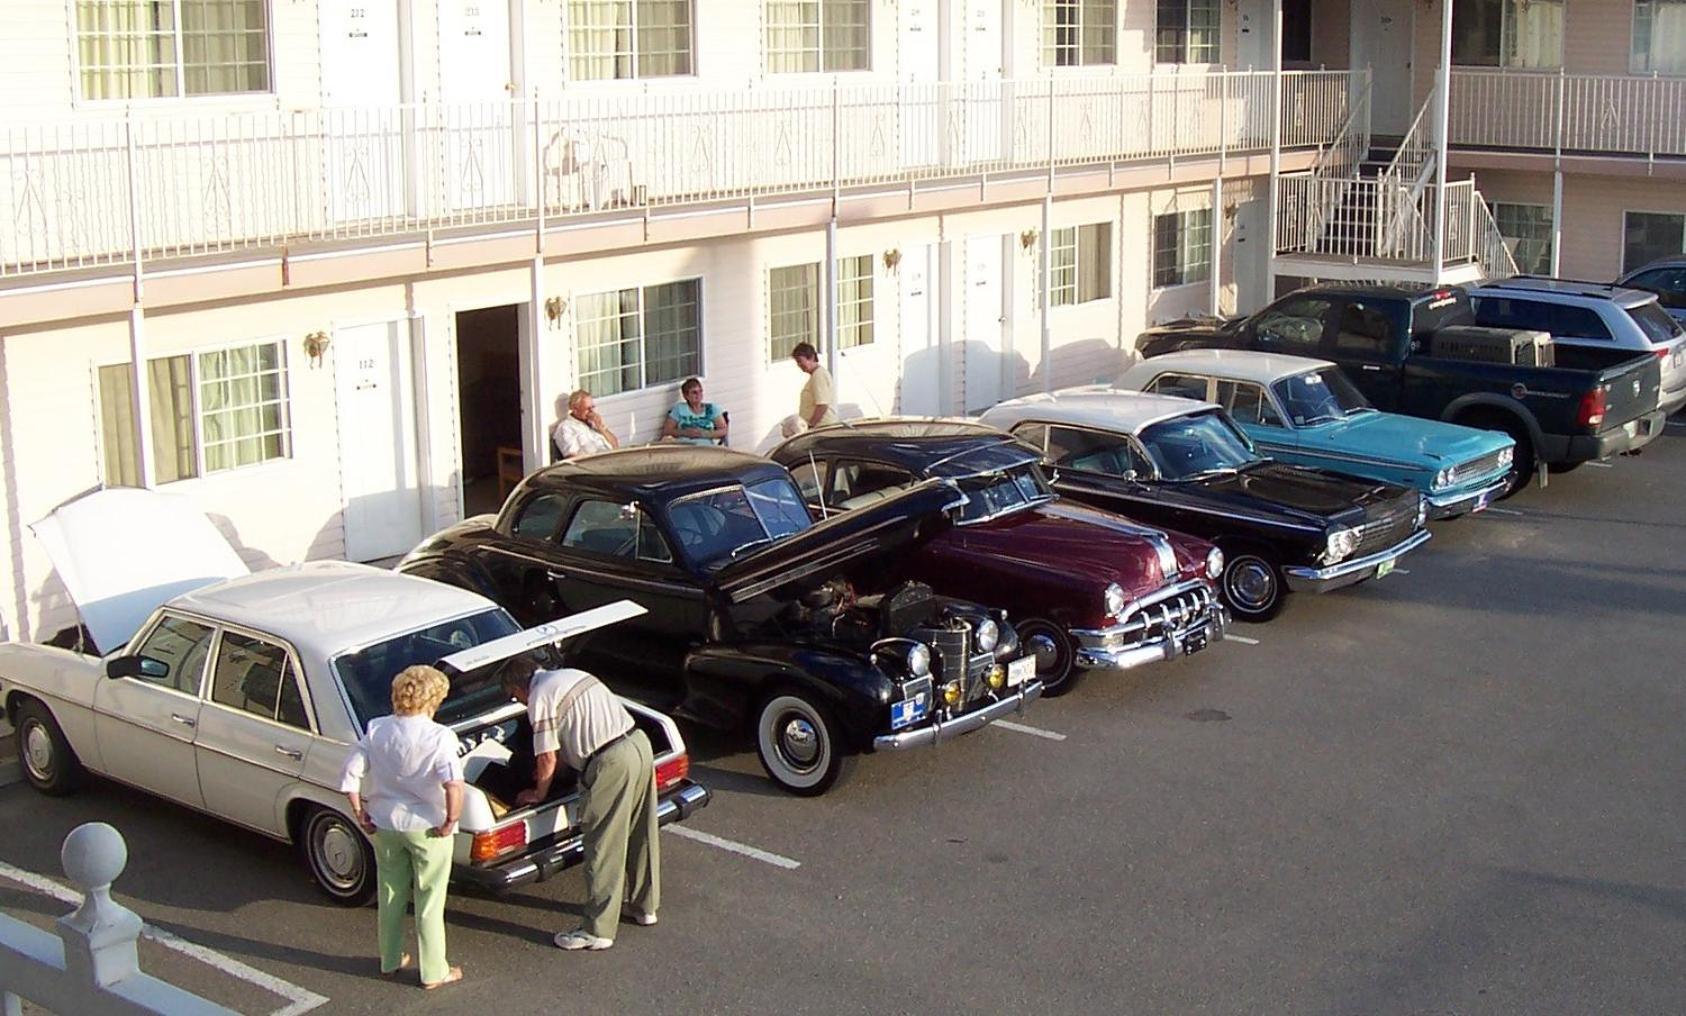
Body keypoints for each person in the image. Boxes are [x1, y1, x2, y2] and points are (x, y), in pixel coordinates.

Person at [502, 654, 659, 951]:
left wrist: (539, 792)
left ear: (520, 686)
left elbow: (547, 756)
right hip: (638, 743)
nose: (519, 703)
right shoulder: (570, 675)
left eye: (514, 697)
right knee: (641, 829)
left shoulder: (540, 697)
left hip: (609, 762)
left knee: (603, 843)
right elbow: (569, 738)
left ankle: (597, 930)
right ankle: (644, 906)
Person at [339, 665, 465, 990]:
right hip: (428, 826)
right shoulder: (439, 737)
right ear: (433, 699)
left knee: (390, 893)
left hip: (385, 822)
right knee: (429, 898)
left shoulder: (377, 729)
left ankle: (389, 960)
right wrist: (451, 820)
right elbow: (453, 784)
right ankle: (434, 971)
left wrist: (359, 812)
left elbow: (350, 774)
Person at [552, 389, 620, 461]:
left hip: (612, 460)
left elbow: (615, 445)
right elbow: (572, 459)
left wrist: (601, 428)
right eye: (588, 408)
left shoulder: (593, 425)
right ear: (575, 409)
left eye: (592, 407)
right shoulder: (566, 428)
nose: (592, 411)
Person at [660, 377, 728, 446]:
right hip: (684, 447)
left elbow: (724, 430)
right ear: (686, 396)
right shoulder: (679, 409)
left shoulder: (711, 409)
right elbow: (667, 431)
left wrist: (703, 434)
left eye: (700, 391)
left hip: (705, 447)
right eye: (694, 393)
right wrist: (685, 432)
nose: (698, 395)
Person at [791, 342, 839, 431]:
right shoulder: (815, 376)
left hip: (823, 427)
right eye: (797, 362)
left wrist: (811, 425)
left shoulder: (818, 375)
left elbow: (822, 404)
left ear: (811, 357)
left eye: (800, 361)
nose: (799, 365)